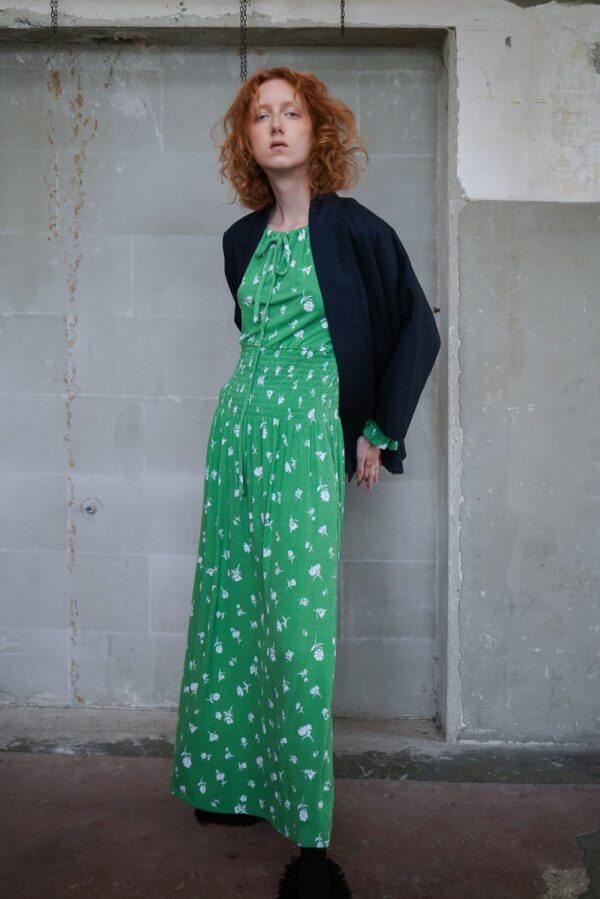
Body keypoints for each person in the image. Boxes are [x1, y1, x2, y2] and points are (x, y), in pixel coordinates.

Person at [170, 66, 441, 899]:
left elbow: (417, 329)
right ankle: (231, 783)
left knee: (297, 629)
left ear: (316, 131)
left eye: (291, 112)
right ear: (247, 140)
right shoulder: (239, 241)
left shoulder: (353, 227)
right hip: (239, 435)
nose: (277, 124)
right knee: (231, 608)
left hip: (304, 439)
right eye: (262, 115)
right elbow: (253, 338)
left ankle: (310, 838)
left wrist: (377, 428)